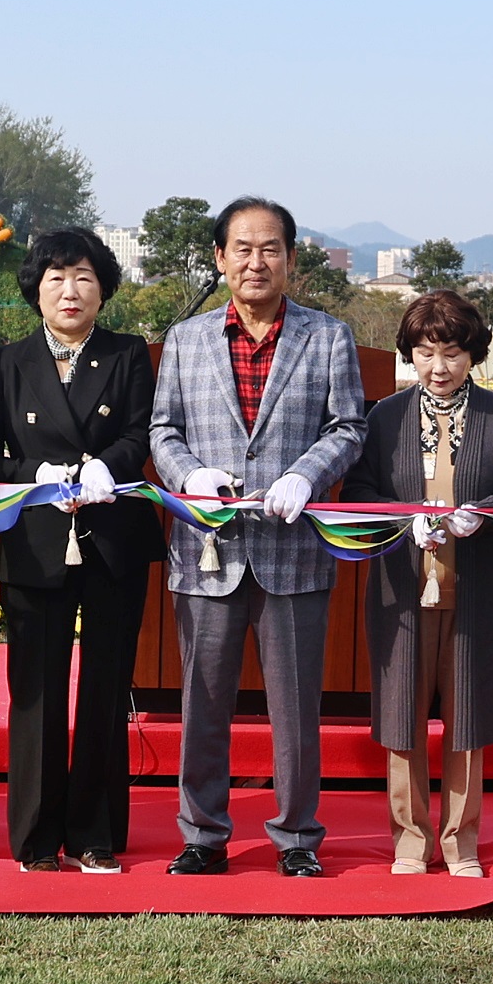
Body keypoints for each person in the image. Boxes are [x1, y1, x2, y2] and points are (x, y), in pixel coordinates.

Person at [150, 196, 367, 878]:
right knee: (203, 702)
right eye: (241, 248)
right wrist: (191, 476)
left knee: (295, 707)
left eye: (269, 247)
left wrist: (307, 475)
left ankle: (297, 835)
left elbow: (348, 427)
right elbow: (162, 432)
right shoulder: (185, 339)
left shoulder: (326, 336)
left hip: (292, 548)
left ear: (290, 259)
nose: (254, 260)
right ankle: (202, 834)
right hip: (207, 550)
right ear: (219, 257)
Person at [0, 226, 158, 872]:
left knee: (105, 688)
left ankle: (95, 831)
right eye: (55, 277)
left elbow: (140, 431)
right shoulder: (5, 361)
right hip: (35, 537)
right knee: (36, 689)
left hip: (111, 535)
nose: (69, 290)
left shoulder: (128, 354)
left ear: (102, 288)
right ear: (35, 289)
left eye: (82, 276)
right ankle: (34, 835)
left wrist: (106, 465)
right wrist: (36, 477)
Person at [343, 290, 493, 876]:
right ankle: (409, 839)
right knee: (402, 717)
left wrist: (482, 512)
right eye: (426, 353)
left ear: (472, 353)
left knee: (468, 717)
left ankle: (461, 840)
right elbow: (358, 494)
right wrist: (405, 518)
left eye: (451, 352)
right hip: (403, 589)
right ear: (411, 355)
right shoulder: (386, 417)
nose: (439, 367)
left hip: (473, 590)